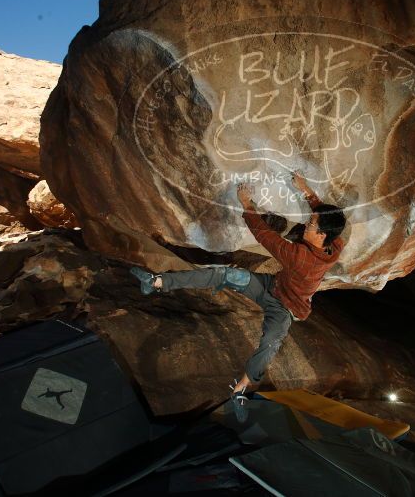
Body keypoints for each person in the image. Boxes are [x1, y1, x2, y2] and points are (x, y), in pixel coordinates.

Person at [130, 171, 346, 416]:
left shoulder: (301, 257)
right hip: (270, 285)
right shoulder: (336, 244)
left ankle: (240, 389)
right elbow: (322, 212)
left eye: (311, 224)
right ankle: (157, 282)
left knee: (270, 344)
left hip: (286, 308)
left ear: (321, 235)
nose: (306, 224)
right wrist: (306, 189)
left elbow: (265, 235)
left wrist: (246, 203)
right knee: (224, 274)